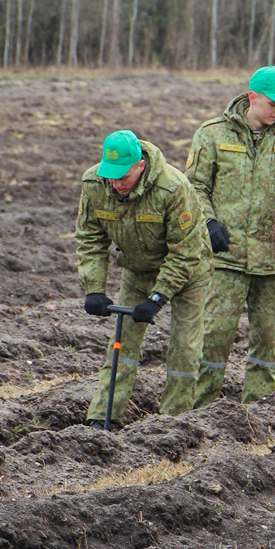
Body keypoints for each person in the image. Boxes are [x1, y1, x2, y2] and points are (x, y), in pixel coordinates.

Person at [185, 66, 275, 408]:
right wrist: (209, 223)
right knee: (213, 337)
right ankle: (200, 411)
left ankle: (259, 412)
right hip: (225, 257)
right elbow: (195, 187)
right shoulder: (212, 134)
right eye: (273, 103)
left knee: (268, 342)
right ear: (252, 98)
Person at [76, 129, 212, 429]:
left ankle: (173, 423)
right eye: (110, 175)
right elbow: (90, 238)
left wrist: (158, 297)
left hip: (189, 271)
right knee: (122, 343)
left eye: (122, 176)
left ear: (140, 165)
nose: (116, 183)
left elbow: (186, 252)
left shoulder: (173, 187)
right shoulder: (94, 184)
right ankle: (103, 417)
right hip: (137, 270)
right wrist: (94, 288)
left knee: (185, 348)